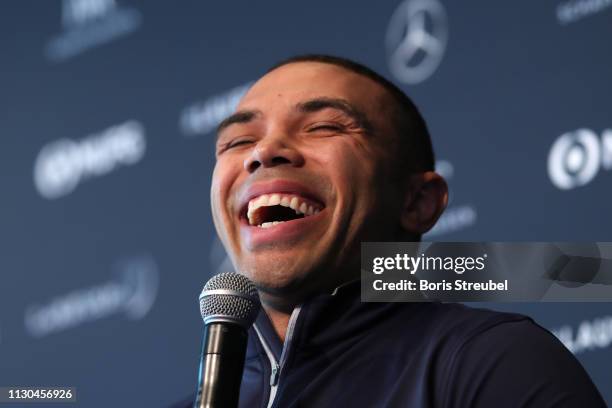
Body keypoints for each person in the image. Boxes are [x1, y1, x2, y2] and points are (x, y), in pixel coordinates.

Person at [179, 55, 606, 407]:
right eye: (237, 141)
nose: (264, 151)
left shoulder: (493, 362)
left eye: (323, 127)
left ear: (416, 202)